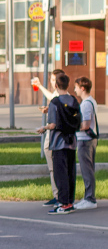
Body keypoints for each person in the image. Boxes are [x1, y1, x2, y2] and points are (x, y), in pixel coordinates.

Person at [40, 72, 80, 214]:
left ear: (56, 86)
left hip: (58, 142)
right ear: (68, 85)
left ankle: (63, 203)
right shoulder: (74, 101)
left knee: (60, 173)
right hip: (72, 141)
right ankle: (70, 201)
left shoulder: (55, 103)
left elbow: (52, 124)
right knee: (70, 172)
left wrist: (43, 128)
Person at [74, 76, 98, 210]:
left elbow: (86, 125)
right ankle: (88, 197)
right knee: (88, 169)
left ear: (82, 88)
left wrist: (73, 127)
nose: (75, 90)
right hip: (87, 140)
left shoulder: (86, 103)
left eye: (76, 87)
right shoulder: (90, 101)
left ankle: (90, 199)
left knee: (87, 170)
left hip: (85, 141)